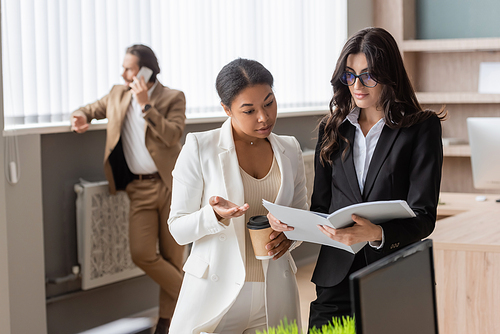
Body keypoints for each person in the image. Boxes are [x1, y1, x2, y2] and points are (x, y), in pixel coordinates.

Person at [268, 27, 445, 330]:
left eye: (368, 75)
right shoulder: (333, 129)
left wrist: (374, 233)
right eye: (350, 75)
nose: (357, 85)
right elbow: (322, 207)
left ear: (390, 76)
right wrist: (293, 226)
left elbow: (424, 217)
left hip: (393, 275)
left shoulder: (420, 128)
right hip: (334, 276)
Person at [167, 58, 308, 334]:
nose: (263, 117)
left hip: (275, 294)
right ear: (226, 109)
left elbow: (302, 217)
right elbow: (177, 229)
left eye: (269, 103)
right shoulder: (199, 147)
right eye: (249, 110)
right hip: (215, 296)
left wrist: (290, 236)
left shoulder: (290, 149)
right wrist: (213, 217)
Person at [71, 44, 186, 334]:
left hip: (173, 186)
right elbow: (90, 109)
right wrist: (81, 116)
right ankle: (195, 294)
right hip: (139, 189)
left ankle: (166, 323)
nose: (123, 73)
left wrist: (146, 105)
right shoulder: (116, 94)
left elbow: (173, 136)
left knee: (174, 258)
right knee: (142, 253)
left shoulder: (172, 97)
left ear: (146, 70)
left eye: (129, 68)